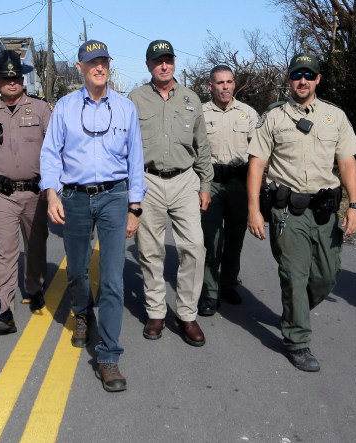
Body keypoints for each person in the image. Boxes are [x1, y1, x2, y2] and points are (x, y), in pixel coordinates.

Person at [246, 52, 356, 372]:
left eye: (309, 75)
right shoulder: (273, 118)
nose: (302, 80)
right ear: (288, 79)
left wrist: (355, 204)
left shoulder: (335, 117)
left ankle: (293, 311)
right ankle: (298, 340)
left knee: (327, 275)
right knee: (294, 276)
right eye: (297, 74)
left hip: (324, 210)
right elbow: (256, 164)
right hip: (287, 212)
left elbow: (348, 162)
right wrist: (254, 209)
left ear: (318, 80)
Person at [40, 40, 144, 392]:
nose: (99, 67)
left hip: (114, 196)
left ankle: (109, 356)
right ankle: (82, 312)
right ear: (81, 67)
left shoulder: (126, 108)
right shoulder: (66, 108)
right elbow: (51, 154)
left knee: (113, 278)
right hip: (75, 197)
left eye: (103, 61)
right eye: (92, 62)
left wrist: (135, 207)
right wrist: (52, 192)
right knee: (78, 270)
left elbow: (136, 161)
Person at [128, 40, 213, 346]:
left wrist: (205, 184)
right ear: (148, 65)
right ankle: (156, 311)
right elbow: (126, 146)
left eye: (168, 59)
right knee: (150, 250)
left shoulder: (191, 99)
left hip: (184, 181)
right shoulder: (135, 99)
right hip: (148, 181)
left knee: (194, 246)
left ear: (174, 62)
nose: (163, 65)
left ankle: (187, 314)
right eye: (157, 61)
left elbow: (202, 146)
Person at [0, 50, 51, 334]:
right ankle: (5, 310)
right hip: (0, 193)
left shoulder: (41, 111)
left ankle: (34, 285)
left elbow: (54, 151)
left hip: (36, 193)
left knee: (36, 246)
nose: (11, 82)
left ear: (22, 79)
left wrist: (55, 190)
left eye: (15, 77)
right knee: (5, 250)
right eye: (5, 78)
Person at [199, 65, 260, 315]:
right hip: (211, 183)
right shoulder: (200, 113)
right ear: (210, 86)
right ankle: (210, 292)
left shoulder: (248, 114)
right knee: (212, 240)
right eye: (219, 83)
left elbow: (259, 153)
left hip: (238, 183)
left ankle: (228, 284)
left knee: (235, 239)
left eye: (229, 82)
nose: (225, 87)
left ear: (234, 84)